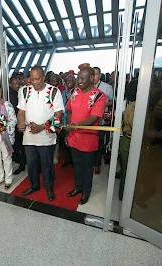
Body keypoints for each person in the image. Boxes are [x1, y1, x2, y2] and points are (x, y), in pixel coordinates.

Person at [17, 66, 64, 201]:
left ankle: (49, 188)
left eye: (37, 79)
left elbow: (58, 115)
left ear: (44, 78)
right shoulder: (24, 91)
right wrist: (21, 122)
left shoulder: (54, 91)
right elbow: (21, 112)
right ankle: (34, 185)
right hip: (29, 136)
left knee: (47, 165)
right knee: (31, 164)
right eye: (32, 79)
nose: (35, 82)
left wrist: (42, 127)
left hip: (46, 137)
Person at [65, 67, 106, 205]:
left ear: (92, 79)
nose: (79, 81)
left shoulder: (99, 96)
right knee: (76, 164)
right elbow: (69, 111)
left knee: (87, 167)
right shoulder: (74, 92)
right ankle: (78, 187)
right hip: (74, 137)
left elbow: (93, 118)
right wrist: (69, 131)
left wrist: (75, 125)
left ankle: (86, 192)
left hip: (88, 138)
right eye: (78, 78)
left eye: (83, 78)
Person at [93, 66, 114, 175]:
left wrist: (103, 104)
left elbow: (113, 102)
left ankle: (97, 164)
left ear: (100, 75)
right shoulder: (87, 86)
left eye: (96, 74)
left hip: (101, 120)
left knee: (99, 142)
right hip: (88, 120)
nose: (93, 76)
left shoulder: (107, 87)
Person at [9, 77, 26, 175]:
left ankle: (22, 164)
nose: (16, 86)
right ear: (10, 84)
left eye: (17, 84)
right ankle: (21, 163)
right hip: (13, 124)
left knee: (21, 145)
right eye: (14, 84)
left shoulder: (20, 93)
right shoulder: (9, 94)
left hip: (20, 124)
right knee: (17, 145)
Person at [60, 74, 75, 168]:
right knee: (63, 141)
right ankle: (67, 159)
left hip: (73, 121)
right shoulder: (63, 93)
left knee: (72, 141)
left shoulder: (76, 93)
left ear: (74, 82)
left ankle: (74, 161)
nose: (69, 82)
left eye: (71, 81)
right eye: (67, 81)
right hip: (63, 121)